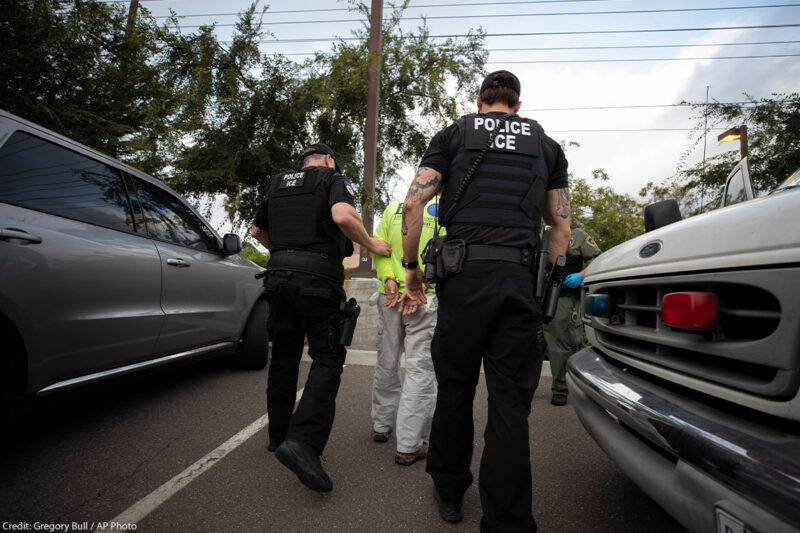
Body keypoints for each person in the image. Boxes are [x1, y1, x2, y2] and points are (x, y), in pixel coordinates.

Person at [399, 71, 571, 532]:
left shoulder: (454, 134)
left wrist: (412, 265)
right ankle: (508, 520)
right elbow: (561, 228)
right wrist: (550, 284)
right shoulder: (547, 146)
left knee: (455, 387)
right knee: (510, 402)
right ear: (517, 104)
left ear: (480, 101)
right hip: (519, 280)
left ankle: (451, 491)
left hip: (463, 278)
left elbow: (413, 204)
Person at [250, 142, 391, 493]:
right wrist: (371, 246)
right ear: (329, 159)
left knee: (284, 355)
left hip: (278, 277)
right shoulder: (331, 178)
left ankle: (278, 437)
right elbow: (343, 217)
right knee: (327, 357)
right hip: (317, 281)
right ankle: (303, 442)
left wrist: (286, 254)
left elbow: (257, 232)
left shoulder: (278, 183)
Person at [371, 197, 442, 466]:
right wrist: (420, 287)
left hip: (388, 296)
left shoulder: (394, 207)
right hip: (422, 298)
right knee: (420, 368)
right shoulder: (444, 210)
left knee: (386, 362)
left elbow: (380, 246)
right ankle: (409, 444)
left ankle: (381, 425)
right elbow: (446, 253)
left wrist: (389, 278)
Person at [540, 225, 601, 406]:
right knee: (531, 345)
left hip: (563, 299)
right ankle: (526, 387)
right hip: (536, 298)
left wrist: (581, 275)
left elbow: (598, 259)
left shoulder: (578, 236)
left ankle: (560, 389)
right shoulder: (541, 233)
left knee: (561, 347)